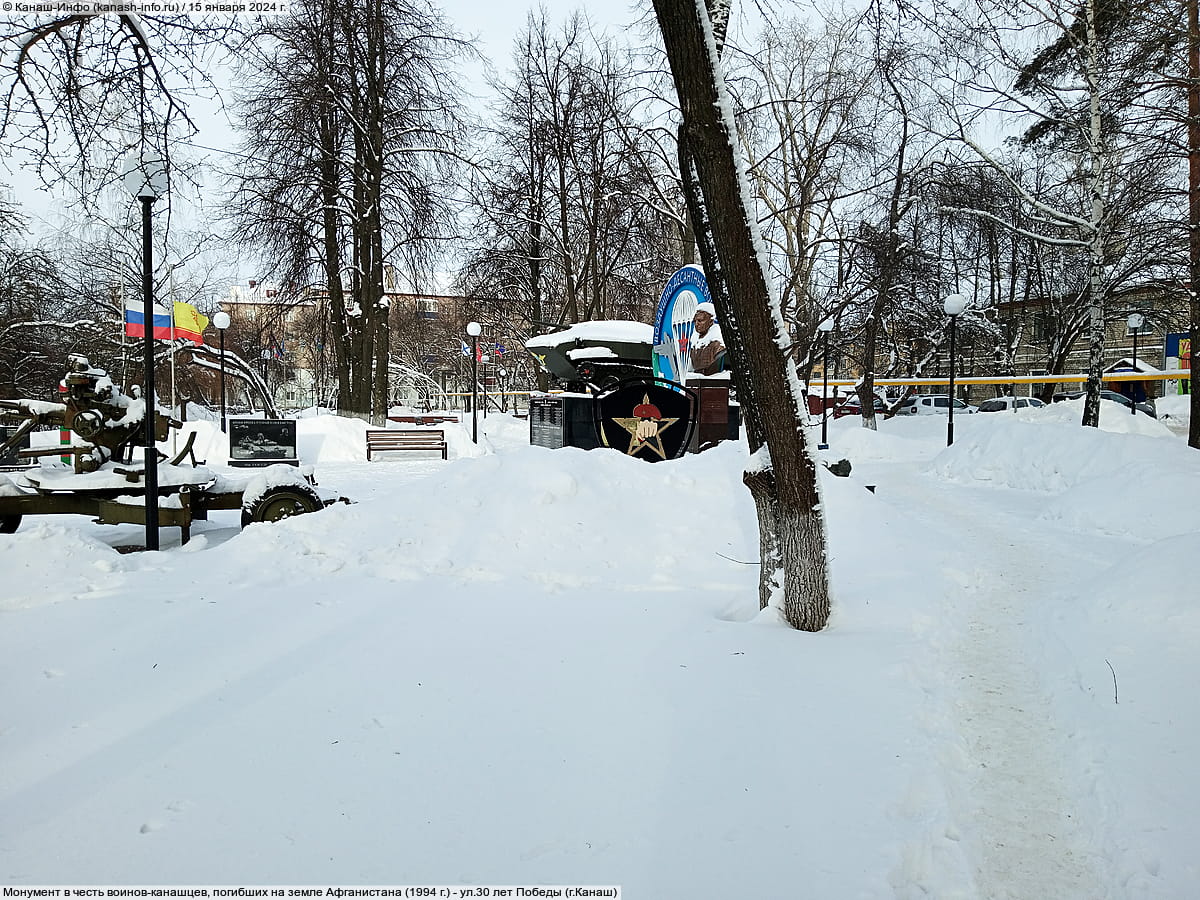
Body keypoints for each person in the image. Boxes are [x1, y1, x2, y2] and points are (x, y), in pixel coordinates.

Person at [689, 302, 725, 375]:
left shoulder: (717, 342)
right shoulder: (694, 343)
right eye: (695, 321)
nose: (696, 324)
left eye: (700, 320)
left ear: (710, 321)